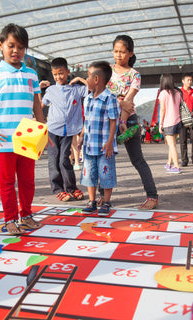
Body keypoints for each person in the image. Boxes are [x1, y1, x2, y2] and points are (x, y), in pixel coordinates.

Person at [0, 23, 47, 235]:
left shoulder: (31, 74)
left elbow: (37, 104)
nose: (15, 51)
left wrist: (42, 129)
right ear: (0, 45)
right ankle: (10, 219)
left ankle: (26, 215)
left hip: (28, 134)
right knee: (7, 182)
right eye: (11, 45)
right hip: (3, 136)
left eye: (20, 47)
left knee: (27, 180)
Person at [107, 35, 158, 210]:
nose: (118, 55)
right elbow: (102, 95)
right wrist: (119, 102)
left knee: (137, 159)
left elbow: (128, 102)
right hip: (107, 119)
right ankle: (103, 196)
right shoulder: (106, 71)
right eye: (115, 51)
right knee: (106, 159)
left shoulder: (134, 74)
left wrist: (122, 119)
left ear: (130, 53)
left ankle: (152, 196)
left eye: (122, 52)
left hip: (128, 120)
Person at [40, 57, 87, 202]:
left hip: (69, 131)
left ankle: (72, 188)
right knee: (53, 160)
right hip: (53, 130)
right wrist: (37, 88)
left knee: (64, 160)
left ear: (67, 72)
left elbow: (92, 88)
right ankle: (58, 189)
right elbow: (39, 106)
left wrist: (80, 78)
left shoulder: (77, 89)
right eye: (55, 74)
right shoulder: (50, 90)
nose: (58, 77)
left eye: (61, 73)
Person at [78, 61, 119, 216]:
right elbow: (86, 120)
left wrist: (110, 142)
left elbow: (113, 121)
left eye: (88, 76)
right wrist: (81, 137)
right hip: (89, 145)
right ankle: (92, 201)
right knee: (89, 174)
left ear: (96, 79)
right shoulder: (87, 99)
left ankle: (106, 202)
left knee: (106, 173)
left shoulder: (110, 98)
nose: (86, 79)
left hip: (104, 147)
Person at [158, 74, 182, 173]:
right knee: (172, 145)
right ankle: (169, 163)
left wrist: (160, 124)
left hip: (169, 122)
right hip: (178, 121)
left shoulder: (163, 93)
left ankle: (176, 166)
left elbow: (162, 109)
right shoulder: (178, 92)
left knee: (171, 145)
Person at [180, 74, 193, 166]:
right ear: (183, 81)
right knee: (183, 140)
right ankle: (184, 160)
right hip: (182, 119)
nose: (190, 82)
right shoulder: (179, 92)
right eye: (188, 80)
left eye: (191, 80)